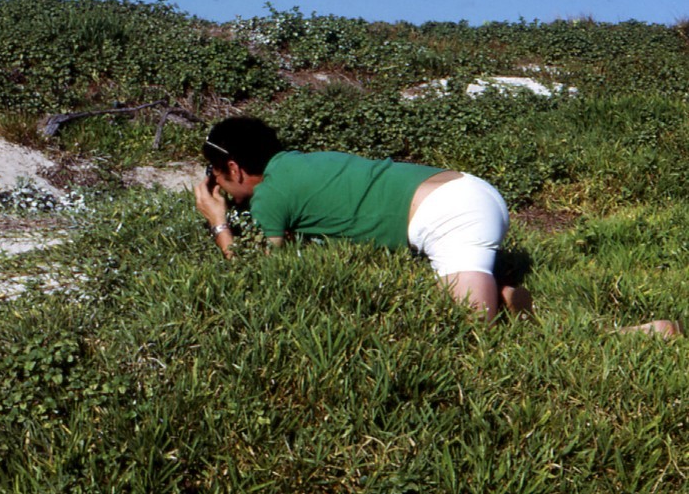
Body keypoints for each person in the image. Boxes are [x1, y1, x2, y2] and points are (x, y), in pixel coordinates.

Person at [194, 116, 680, 335]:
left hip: (448, 216)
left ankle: (630, 334)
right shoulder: (297, 164)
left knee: (473, 335)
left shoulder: (270, 195)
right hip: (466, 191)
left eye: (215, 176)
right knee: (479, 317)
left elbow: (260, 276)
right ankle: (507, 296)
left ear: (234, 169)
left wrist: (219, 224)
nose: (216, 186)